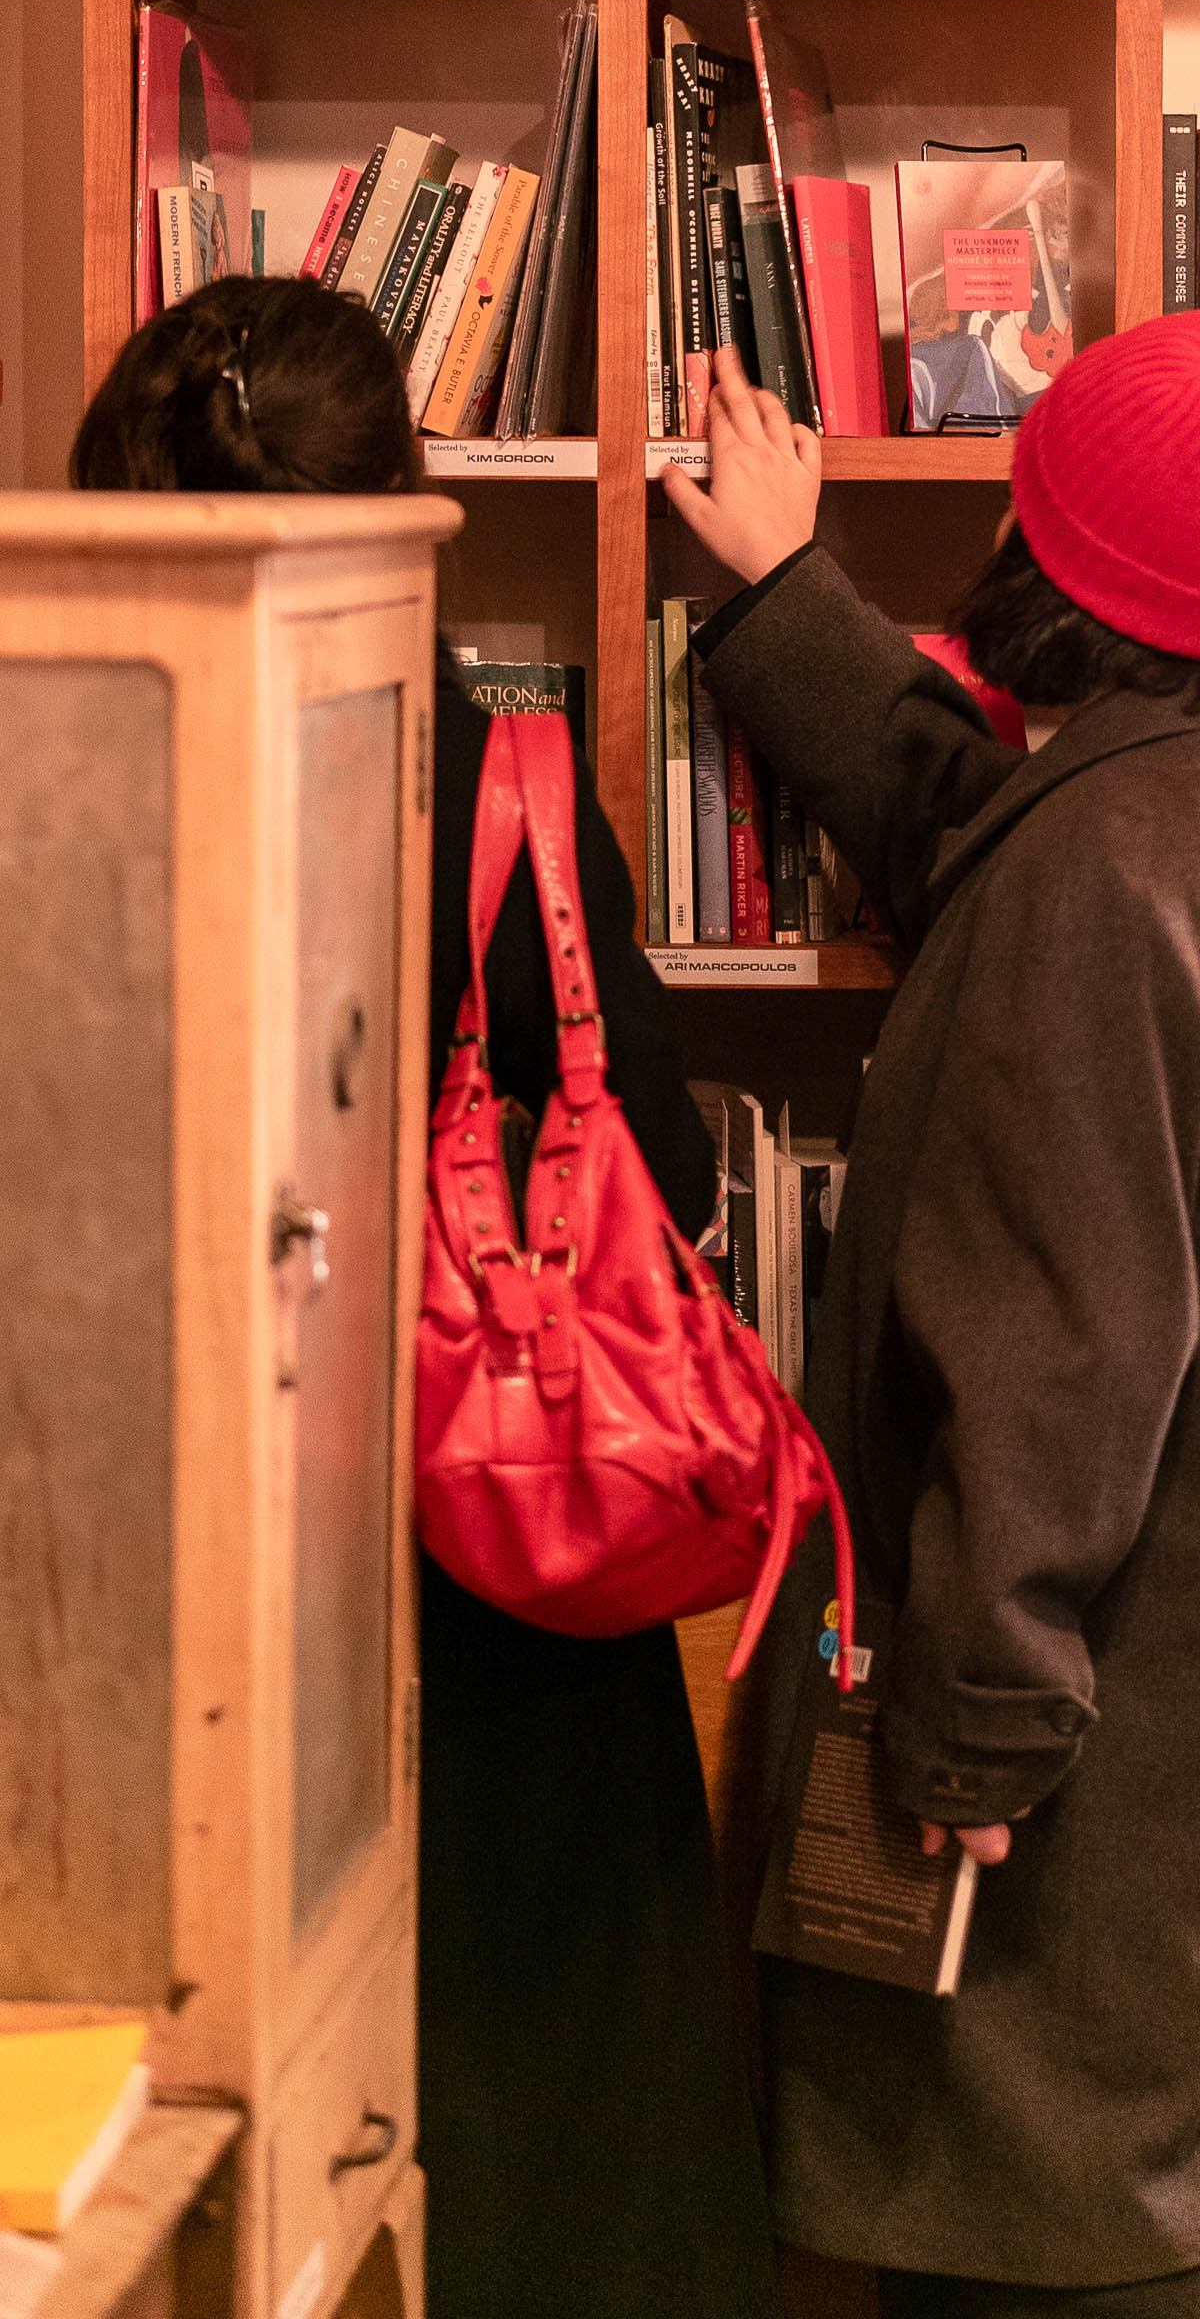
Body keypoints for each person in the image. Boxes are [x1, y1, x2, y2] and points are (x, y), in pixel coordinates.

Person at [663, 314, 1200, 2318]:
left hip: (1083, 1774)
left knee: (1056, 2237)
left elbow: (1056, 1364)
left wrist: (974, 1730)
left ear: (1044, 548)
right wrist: (791, 595)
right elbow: (979, 833)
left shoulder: (1098, 872)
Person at [73, 278, 782, 2319]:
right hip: (502, 1548)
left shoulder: (88, 761)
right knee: (557, 2153)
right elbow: (652, 1166)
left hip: (193, 1590)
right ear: (409, 510)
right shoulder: (504, 783)